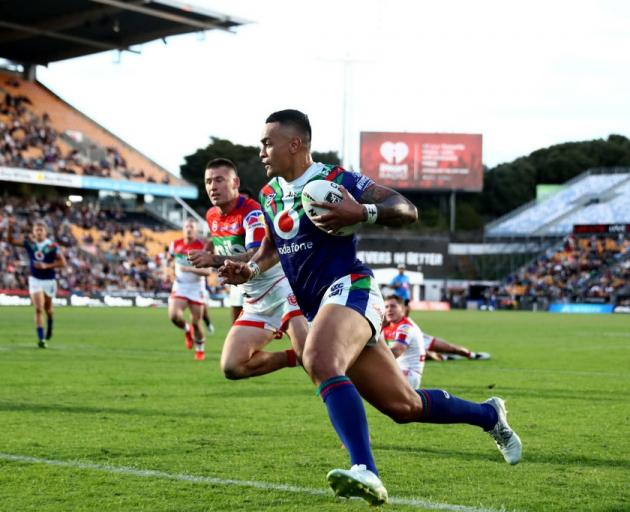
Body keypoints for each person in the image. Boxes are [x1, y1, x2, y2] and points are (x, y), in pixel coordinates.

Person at [217, 109, 522, 505]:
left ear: (295, 144)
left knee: (320, 360)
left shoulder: (335, 180)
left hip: (352, 289)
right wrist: (250, 268)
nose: (261, 150)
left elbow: (405, 208)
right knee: (404, 406)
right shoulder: (270, 193)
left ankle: (366, 470)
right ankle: (489, 415)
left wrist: (363, 212)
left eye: (267, 142)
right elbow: (273, 247)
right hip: (321, 306)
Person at [188, 157, 307, 379]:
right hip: (254, 300)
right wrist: (221, 263)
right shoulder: (211, 216)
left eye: (220, 180)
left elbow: (257, 254)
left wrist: (213, 259)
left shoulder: (253, 213)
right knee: (232, 366)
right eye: (208, 181)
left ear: (236, 183)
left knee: (315, 358)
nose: (213, 186)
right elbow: (228, 251)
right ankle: (295, 357)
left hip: (283, 291)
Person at [6, 217, 66, 348]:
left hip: (49, 281)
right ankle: (41, 339)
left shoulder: (52, 246)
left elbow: (63, 263)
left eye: (41, 230)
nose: (39, 232)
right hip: (35, 280)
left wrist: (46, 266)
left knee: (48, 310)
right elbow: (10, 240)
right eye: (36, 230)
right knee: (39, 309)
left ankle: (50, 323)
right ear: (33, 231)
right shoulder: (29, 243)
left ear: (46, 232)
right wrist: (10, 227)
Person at [168, 218, 210, 360]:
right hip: (180, 285)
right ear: (183, 229)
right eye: (187, 226)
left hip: (196, 287)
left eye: (192, 227)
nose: (189, 229)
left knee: (196, 322)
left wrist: (189, 269)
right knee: (174, 316)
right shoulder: (175, 245)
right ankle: (187, 330)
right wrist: (171, 273)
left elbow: (208, 272)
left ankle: (200, 349)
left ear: (196, 229)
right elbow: (171, 262)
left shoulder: (202, 246)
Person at [381, 295, 426, 389]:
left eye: (393, 306)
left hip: (408, 373)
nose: (389, 309)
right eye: (386, 307)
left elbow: (396, 352)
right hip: (398, 371)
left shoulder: (405, 327)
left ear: (402, 309)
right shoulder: (388, 327)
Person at [423, 333, 491, 362]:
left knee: (449, 347)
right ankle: (446, 357)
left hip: (421, 338)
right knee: (424, 354)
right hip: (413, 345)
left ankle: (473, 355)